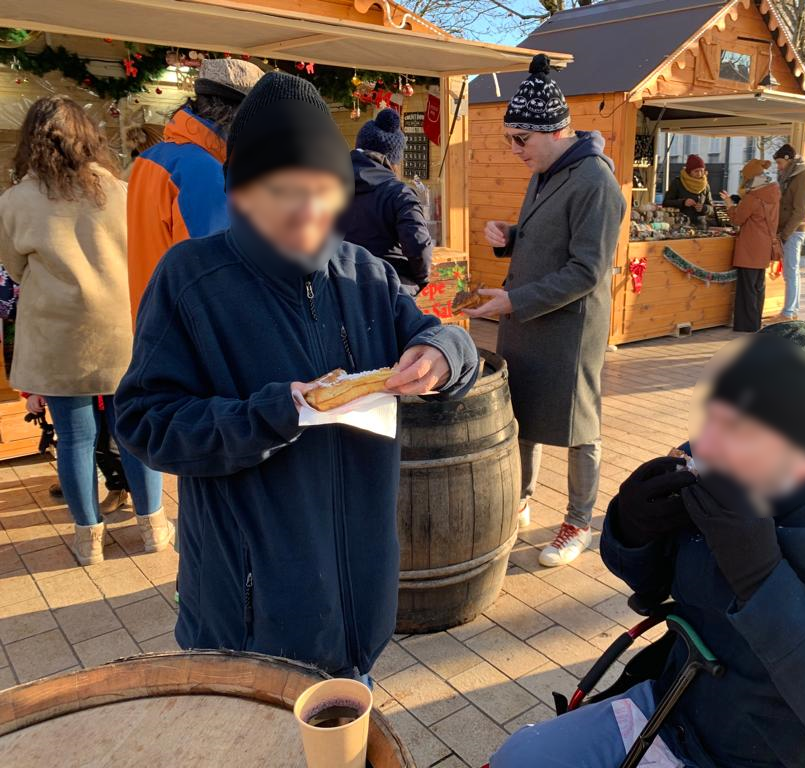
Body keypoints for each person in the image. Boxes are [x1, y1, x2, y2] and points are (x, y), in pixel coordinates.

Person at [114, 73, 478, 677]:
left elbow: (445, 339)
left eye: (323, 190)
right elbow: (144, 421)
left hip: (356, 607)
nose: (308, 211)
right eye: (284, 191)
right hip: (247, 620)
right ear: (242, 191)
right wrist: (270, 415)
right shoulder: (191, 278)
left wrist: (441, 353)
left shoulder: (365, 274)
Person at [490, 322, 805, 768]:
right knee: (520, 756)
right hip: (673, 706)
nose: (704, 446)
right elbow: (652, 590)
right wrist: (631, 530)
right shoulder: (711, 459)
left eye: (737, 432)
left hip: (771, 753)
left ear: (804, 458)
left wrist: (764, 583)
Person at [464, 54, 625, 567]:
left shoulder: (595, 182)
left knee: (581, 428)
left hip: (570, 328)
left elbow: (587, 270)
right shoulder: (546, 170)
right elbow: (550, 234)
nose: (514, 150)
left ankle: (578, 522)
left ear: (555, 131)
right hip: (529, 319)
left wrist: (514, 300)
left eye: (521, 139)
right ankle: (522, 500)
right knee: (525, 414)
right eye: (509, 140)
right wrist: (509, 236)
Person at [0, 97, 170, 565]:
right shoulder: (119, 190)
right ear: (88, 137)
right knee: (133, 430)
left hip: (56, 335)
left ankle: (87, 539)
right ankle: (153, 527)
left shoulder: (14, 201)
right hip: (119, 328)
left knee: (74, 439)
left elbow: (15, 269)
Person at [126, 57, 263, 318]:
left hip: (153, 324)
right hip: (193, 334)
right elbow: (218, 281)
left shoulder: (151, 159)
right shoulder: (205, 172)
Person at [337, 108, 433, 295]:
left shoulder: (329, 188)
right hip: (388, 288)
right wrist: (419, 280)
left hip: (338, 288)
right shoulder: (400, 194)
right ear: (393, 160)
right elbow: (419, 246)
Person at [719, 159, 780, 332]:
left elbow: (737, 219)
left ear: (751, 178)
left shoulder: (753, 197)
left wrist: (729, 204)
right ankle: (755, 323)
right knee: (758, 287)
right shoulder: (774, 192)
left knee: (747, 288)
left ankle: (747, 325)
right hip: (764, 245)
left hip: (750, 246)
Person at [766, 143, 805, 322]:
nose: (778, 167)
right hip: (790, 229)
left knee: (790, 272)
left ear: (788, 160)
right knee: (791, 271)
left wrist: (784, 234)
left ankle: (788, 312)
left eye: (779, 163)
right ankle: (792, 310)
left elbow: (799, 211)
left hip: (793, 230)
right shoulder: (792, 175)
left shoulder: (803, 176)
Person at [663, 155, 712, 229]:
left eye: (702, 171)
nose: (699, 174)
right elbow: (666, 203)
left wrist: (704, 208)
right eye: (696, 171)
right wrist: (683, 202)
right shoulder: (677, 182)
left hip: (700, 226)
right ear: (689, 171)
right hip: (680, 225)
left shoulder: (705, 185)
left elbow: (711, 207)